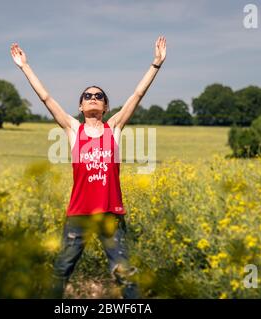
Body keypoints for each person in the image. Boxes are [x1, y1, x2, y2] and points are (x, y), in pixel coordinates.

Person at [10, 36, 166, 299]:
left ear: (106, 107)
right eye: (88, 96)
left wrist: (156, 64)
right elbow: (46, 98)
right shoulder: (73, 129)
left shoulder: (113, 128)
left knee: (124, 272)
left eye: (99, 96)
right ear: (80, 106)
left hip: (110, 215)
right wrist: (25, 66)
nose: (93, 98)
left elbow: (137, 94)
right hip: (79, 214)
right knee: (62, 270)